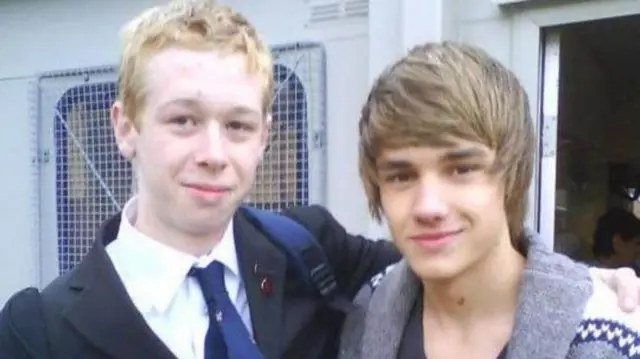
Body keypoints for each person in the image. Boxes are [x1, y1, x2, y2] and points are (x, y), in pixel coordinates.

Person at [0, 2, 639, 359]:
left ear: (267, 136)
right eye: (183, 120)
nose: (214, 153)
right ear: (125, 126)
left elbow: (459, 260)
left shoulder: (307, 251)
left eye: (239, 125)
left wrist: (592, 283)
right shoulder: (39, 332)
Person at [338, 41, 640, 359]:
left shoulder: (612, 338)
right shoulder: (369, 310)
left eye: (462, 169)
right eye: (402, 176)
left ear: (511, 175)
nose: (428, 207)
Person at [592, 207, 640, 274]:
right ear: (618, 242)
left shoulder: (635, 271)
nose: (639, 250)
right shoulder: (587, 279)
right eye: (637, 243)